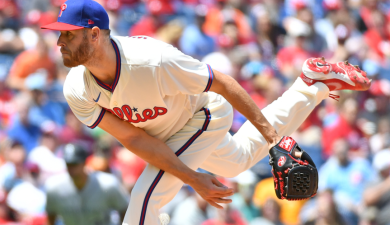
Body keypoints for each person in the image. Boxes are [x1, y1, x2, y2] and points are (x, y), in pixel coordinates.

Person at [40, 0, 371, 224]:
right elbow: (134, 139)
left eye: (67, 34)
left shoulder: (151, 60)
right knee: (239, 159)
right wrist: (190, 176)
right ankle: (311, 85)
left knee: (144, 200)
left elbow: (223, 83)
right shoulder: (77, 87)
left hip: (203, 116)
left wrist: (273, 140)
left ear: (94, 34)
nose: (59, 43)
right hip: (166, 136)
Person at [45, 143, 129, 225]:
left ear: (84, 162)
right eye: (68, 164)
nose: (71, 168)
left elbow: (125, 209)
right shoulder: (54, 188)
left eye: (75, 164)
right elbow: (51, 217)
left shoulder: (107, 184)